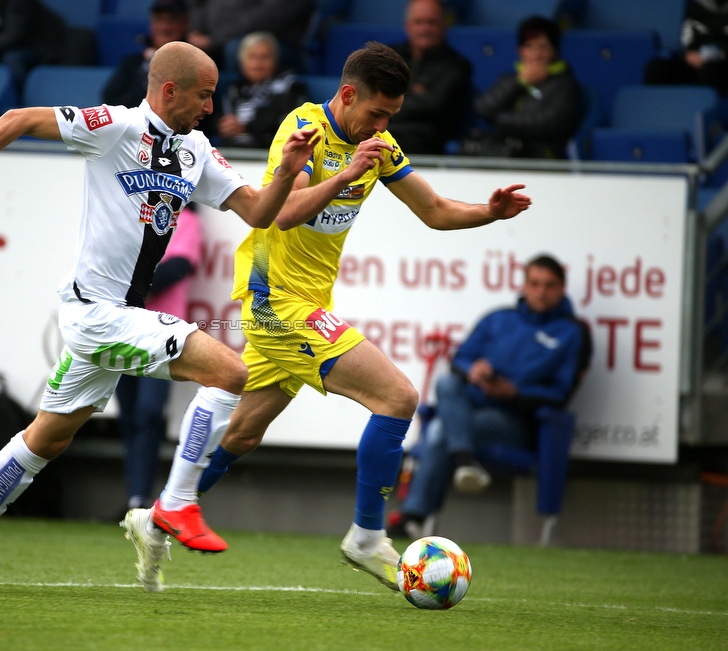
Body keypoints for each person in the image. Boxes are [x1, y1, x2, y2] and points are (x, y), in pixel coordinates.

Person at [0, 40, 318, 591]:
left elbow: (263, 213)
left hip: (114, 319)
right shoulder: (116, 126)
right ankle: (174, 505)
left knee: (47, 439)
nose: (211, 108)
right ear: (169, 90)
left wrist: (288, 172)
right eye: (205, 95)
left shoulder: (198, 150)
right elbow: (18, 117)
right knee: (230, 372)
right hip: (97, 314)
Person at [124, 42, 530, 593]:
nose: (383, 126)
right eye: (377, 113)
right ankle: (367, 537)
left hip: (309, 302)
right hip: (274, 299)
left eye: (391, 117)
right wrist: (345, 175)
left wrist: (488, 211)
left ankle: (156, 517)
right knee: (398, 398)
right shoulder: (303, 131)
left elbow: (433, 212)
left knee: (242, 434)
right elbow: (283, 214)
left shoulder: (378, 144)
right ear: (347, 95)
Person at [388, 255, 590, 540]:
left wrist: (516, 392)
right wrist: (475, 370)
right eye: (534, 283)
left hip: (513, 419)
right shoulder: (498, 318)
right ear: (524, 285)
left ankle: (414, 515)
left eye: (549, 285)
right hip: (473, 402)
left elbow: (561, 394)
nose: (541, 291)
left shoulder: (572, 333)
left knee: (439, 429)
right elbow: (461, 360)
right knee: (446, 383)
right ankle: (464, 461)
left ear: (561, 289)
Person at [114, 204, 202, 516]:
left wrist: (130, 286)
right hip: (124, 329)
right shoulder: (134, 215)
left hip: (161, 333)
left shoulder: (187, 220)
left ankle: (143, 500)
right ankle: (134, 498)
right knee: (127, 418)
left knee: (149, 414)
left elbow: (178, 266)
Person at [468, 15, 580, 159]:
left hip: (542, 155)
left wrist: (500, 120)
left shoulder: (564, 84)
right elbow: (483, 108)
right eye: (529, 46)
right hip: (503, 151)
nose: (536, 54)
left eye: (543, 47)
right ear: (519, 50)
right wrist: (520, 82)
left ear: (555, 51)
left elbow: (550, 123)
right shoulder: (509, 79)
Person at [387, 0, 472, 155]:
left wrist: (388, 99)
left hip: (424, 140)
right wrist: (414, 91)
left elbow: (433, 105)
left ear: (443, 25)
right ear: (407, 26)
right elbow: (369, 94)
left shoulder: (457, 65)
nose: (424, 29)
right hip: (384, 129)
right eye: (418, 22)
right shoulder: (389, 56)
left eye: (431, 22)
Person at [217, 31, 307, 149]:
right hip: (233, 152)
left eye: (264, 57)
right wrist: (222, 125)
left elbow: (287, 122)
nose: (257, 64)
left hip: (271, 151)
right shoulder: (233, 88)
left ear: (275, 60)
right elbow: (215, 118)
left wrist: (247, 127)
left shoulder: (292, 87)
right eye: (252, 57)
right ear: (242, 62)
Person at [644, 0, 728, 95]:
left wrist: (726, 53)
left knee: (711, 72)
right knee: (656, 70)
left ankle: (715, 115)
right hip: (702, 61)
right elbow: (690, 36)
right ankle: (662, 115)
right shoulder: (700, 4)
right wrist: (690, 53)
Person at [103, 0, 188, 109]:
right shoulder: (132, 63)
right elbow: (110, 97)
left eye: (172, 21)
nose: (165, 27)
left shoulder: (194, 64)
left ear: (184, 25)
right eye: (159, 20)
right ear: (151, 25)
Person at [185, 0, 314, 68]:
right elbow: (197, 4)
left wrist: (215, 40)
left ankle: (236, 101)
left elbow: (268, 16)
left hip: (277, 42)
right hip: (211, 36)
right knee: (177, 48)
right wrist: (196, 30)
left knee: (237, 49)